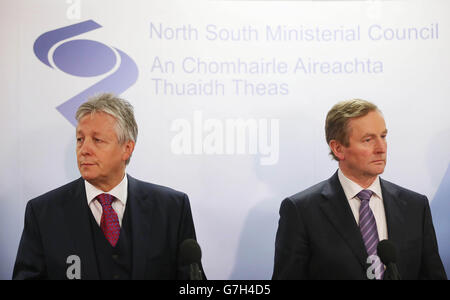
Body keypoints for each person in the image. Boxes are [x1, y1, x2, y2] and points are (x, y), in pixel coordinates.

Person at [13, 93, 204, 280]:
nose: (84, 150)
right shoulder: (43, 213)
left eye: (97, 140)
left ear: (127, 148)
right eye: (80, 139)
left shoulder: (172, 209)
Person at [272, 99, 447, 280]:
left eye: (383, 136)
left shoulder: (415, 206)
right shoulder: (302, 211)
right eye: (368, 139)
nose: (381, 148)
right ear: (338, 148)